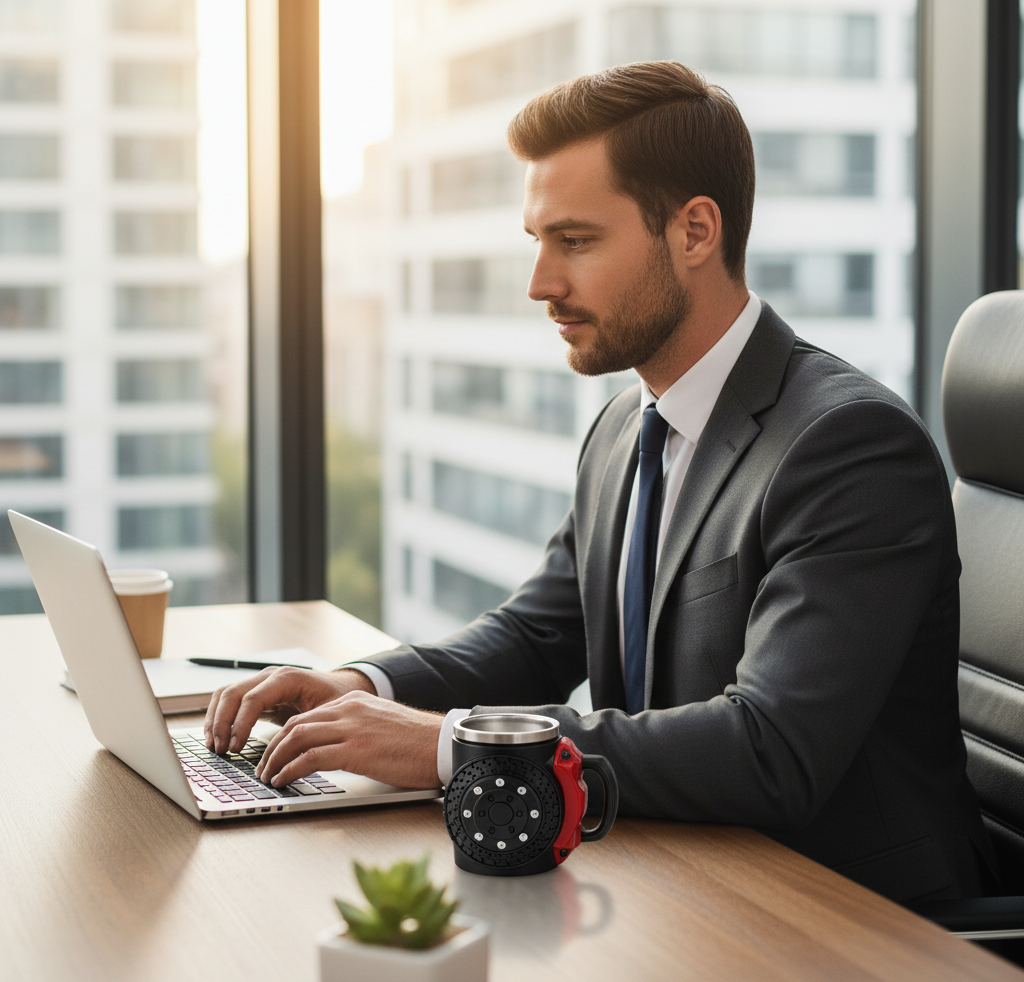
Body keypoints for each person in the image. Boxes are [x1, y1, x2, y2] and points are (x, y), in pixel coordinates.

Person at [206, 61, 991, 903]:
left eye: (574, 241)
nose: (541, 283)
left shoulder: (848, 446)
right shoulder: (626, 425)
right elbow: (536, 638)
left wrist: (449, 745)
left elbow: (771, 749)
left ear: (695, 232)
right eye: (537, 241)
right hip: (678, 884)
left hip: (845, 920)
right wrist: (365, 688)